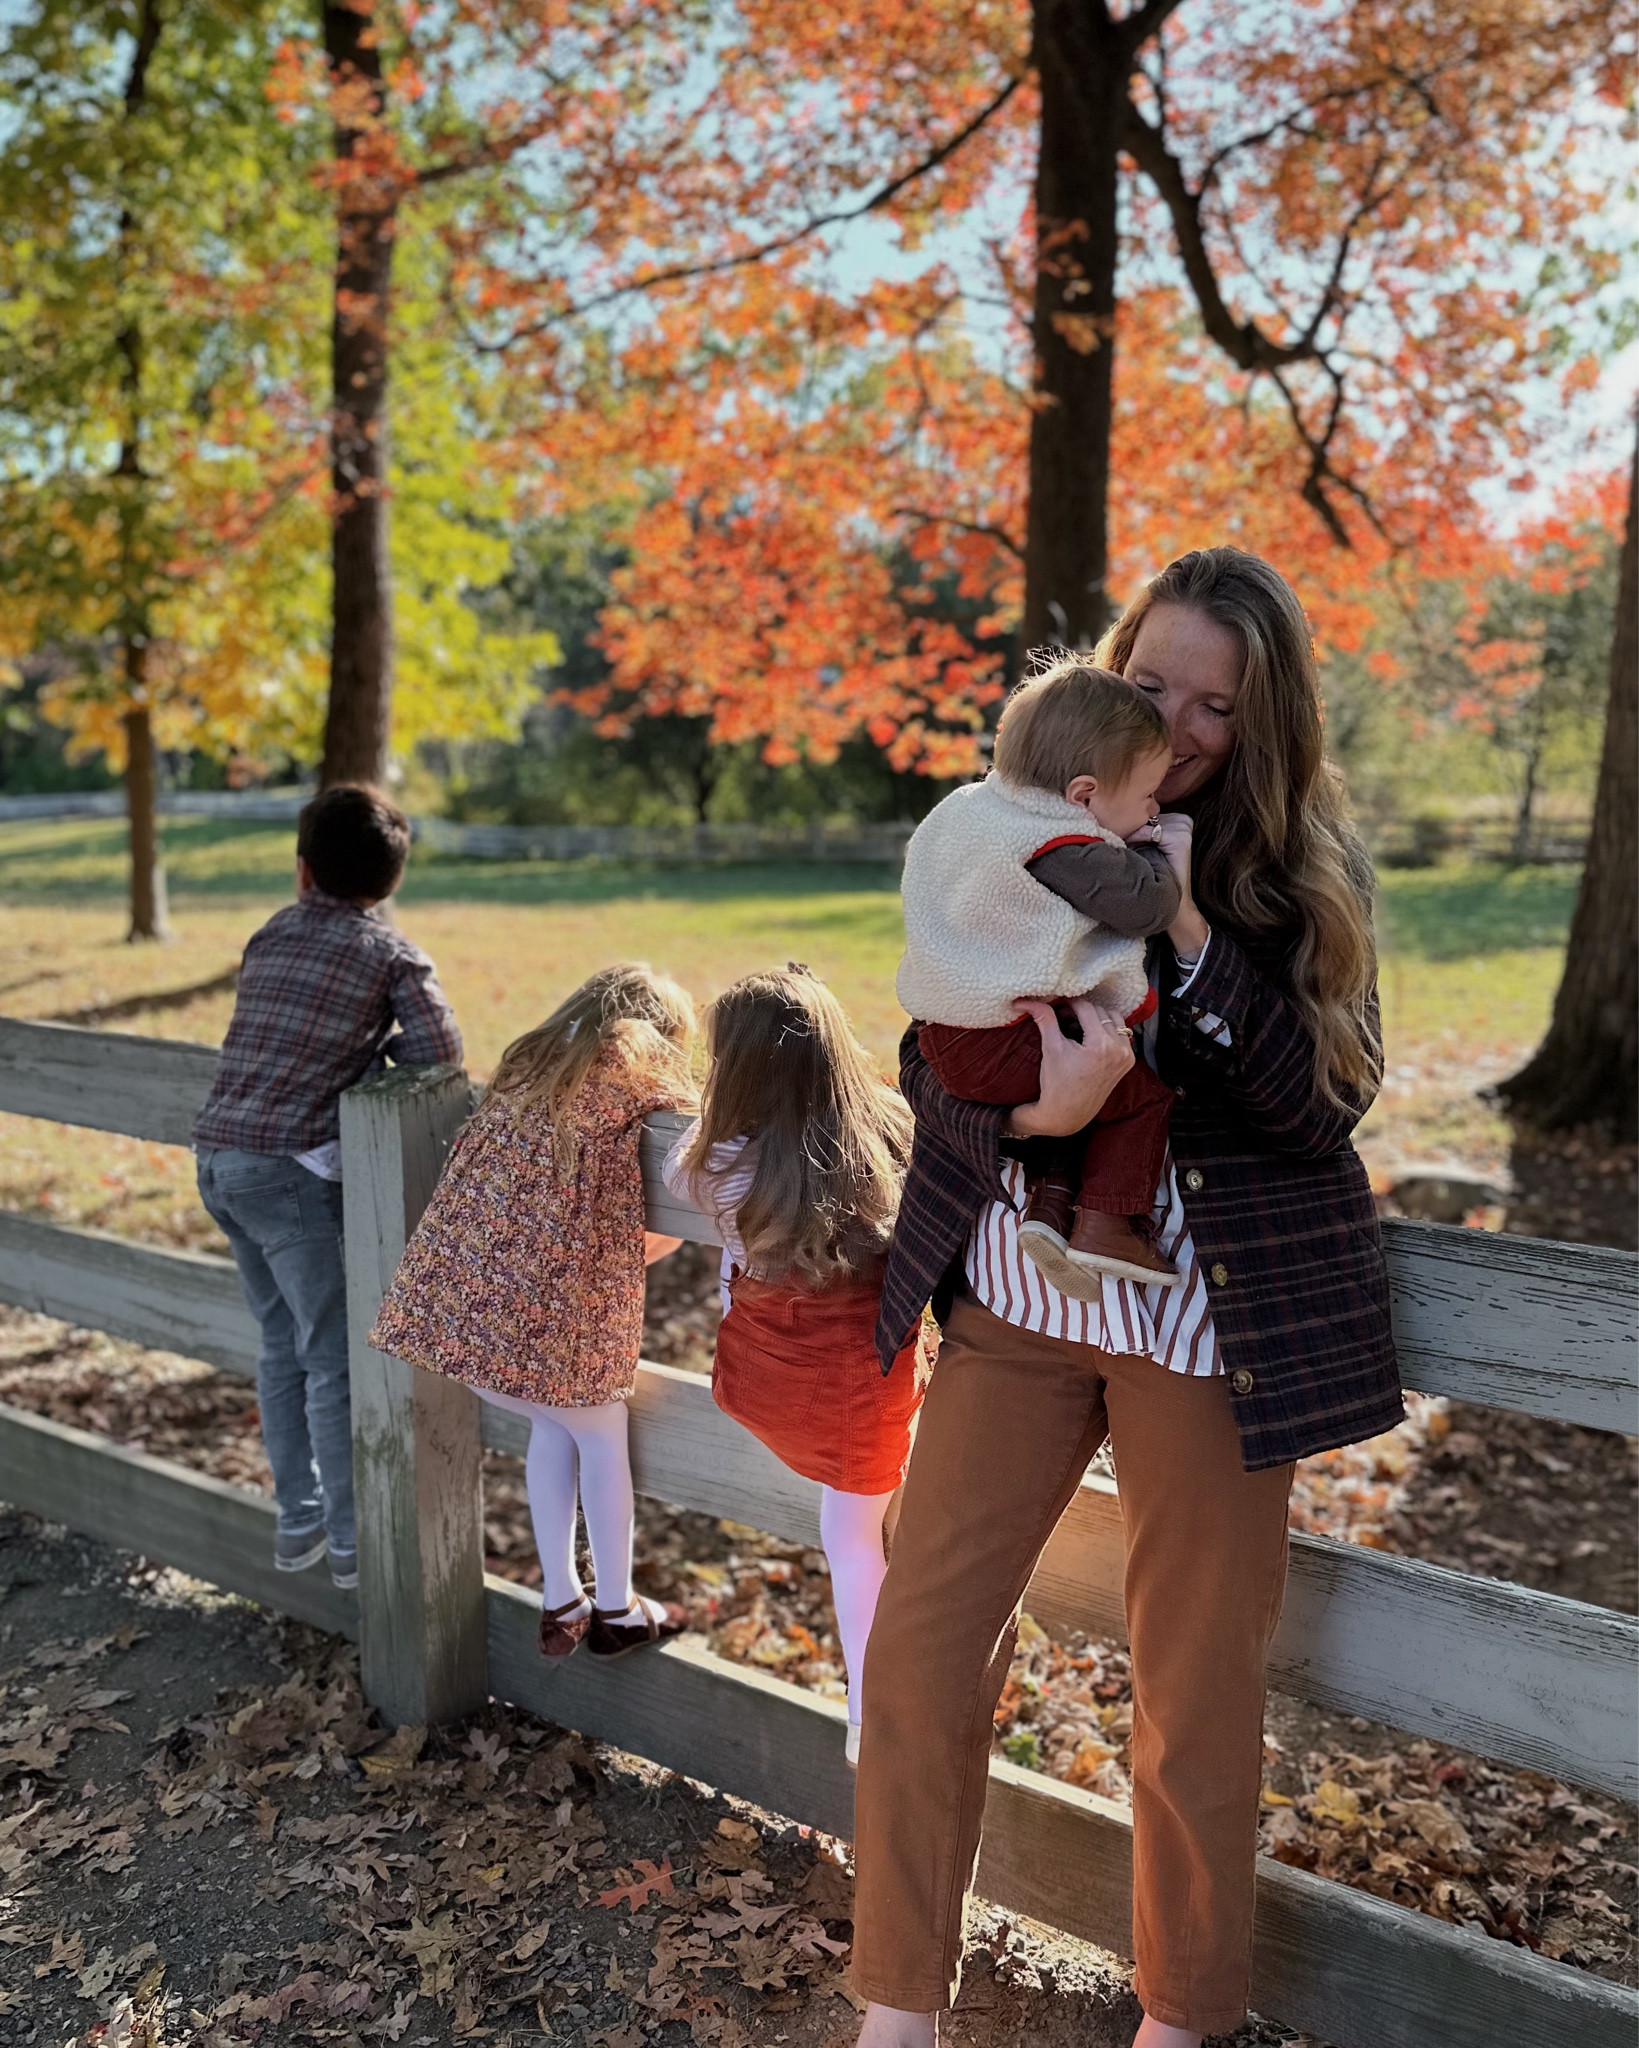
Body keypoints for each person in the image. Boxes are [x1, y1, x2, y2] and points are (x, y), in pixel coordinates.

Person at [852, 548, 1404, 2048]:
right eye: (1150, 682)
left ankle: (1180, 2017)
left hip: (1205, 1330)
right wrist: (1033, 1116)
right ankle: (895, 2007)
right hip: (1026, 1295)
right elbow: (931, 1045)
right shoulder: (1013, 830)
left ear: (1263, 721)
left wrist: (1178, 933)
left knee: (1193, 1695)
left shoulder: (1299, 885)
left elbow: (1324, 1105)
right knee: (918, 1644)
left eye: (1212, 705)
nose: (1173, 722)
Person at [368, 965, 695, 1658]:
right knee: (601, 1438)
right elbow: (698, 1131)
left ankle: (560, 1597)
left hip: (465, 1316)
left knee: (556, 1426)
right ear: (657, 1036)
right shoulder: (639, 1071)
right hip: (543, 1317)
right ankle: (618, 1607)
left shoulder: (527, 1066)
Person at [194, 783, 462, 1592]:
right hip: (286, 1177)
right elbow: (440, 1049)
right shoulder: (390, 953)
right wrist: (379, 1063)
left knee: (279, 1346)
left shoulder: (270, 932)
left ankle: (298, 1520)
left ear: (302, 871)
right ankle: (351, 1545)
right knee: (328, 1358)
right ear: (390, 884)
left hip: (217, 1160)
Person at [662, 966, 928, 1766]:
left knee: (848, 1531)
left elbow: (677, 1165)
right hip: (860, 1382)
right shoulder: (884, 1134)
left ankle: (865, 1712)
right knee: (854, 1536)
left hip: (769, 1375)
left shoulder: (716, 1163)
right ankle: (866, 1712)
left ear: (732, 1071)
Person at [896, 659, 1186, 1296]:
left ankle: (1051, 1218)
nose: (1154, 805)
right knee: (1140, 1099)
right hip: (1007, 1035)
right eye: (1146, 796)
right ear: (1083, 797)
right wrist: (1156, 853)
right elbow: (1147, 905)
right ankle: (1111, 1224)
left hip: (949, 1032)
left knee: (1089, 1101)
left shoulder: (974, 808)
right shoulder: (1060, 843)